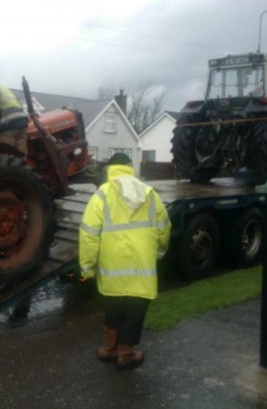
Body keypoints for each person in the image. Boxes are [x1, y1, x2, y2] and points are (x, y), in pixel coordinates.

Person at [79, 153, 171, 370]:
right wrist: (160, 251)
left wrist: (87, 267)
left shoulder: (101, 195)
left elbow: (88, 235)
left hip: (112, 271)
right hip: (142, 270)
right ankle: (125, 353)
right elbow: (164, 228)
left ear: (109, 169)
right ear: (130, 168)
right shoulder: (149, 194)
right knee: (134, 312)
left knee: (113, 308)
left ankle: (111, 349)